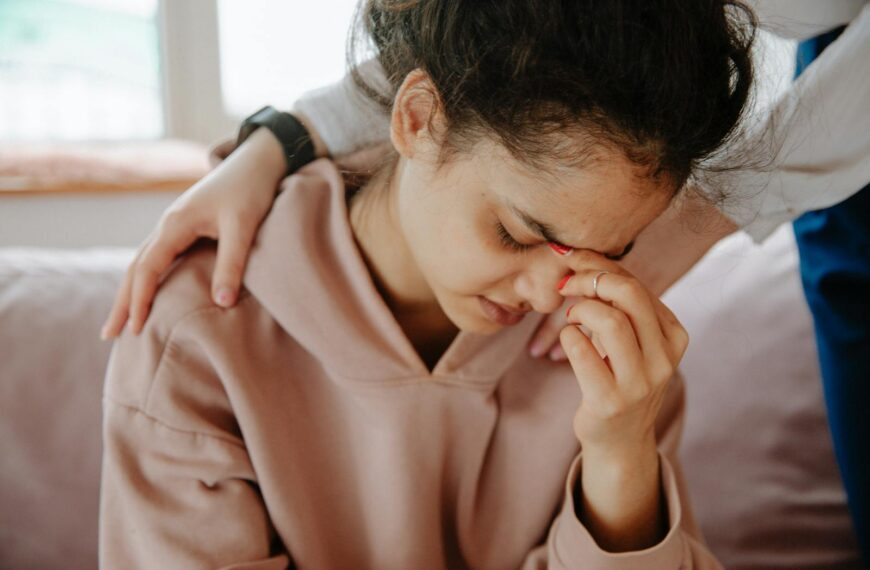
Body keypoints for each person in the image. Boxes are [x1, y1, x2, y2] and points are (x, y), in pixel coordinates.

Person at [100, 0, 870, 559]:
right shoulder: (198, 332)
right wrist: (283, 138)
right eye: (519, 232)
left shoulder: (612, 365)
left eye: (609, 253)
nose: (545, 295)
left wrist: (620, 457)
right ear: (415, 119)